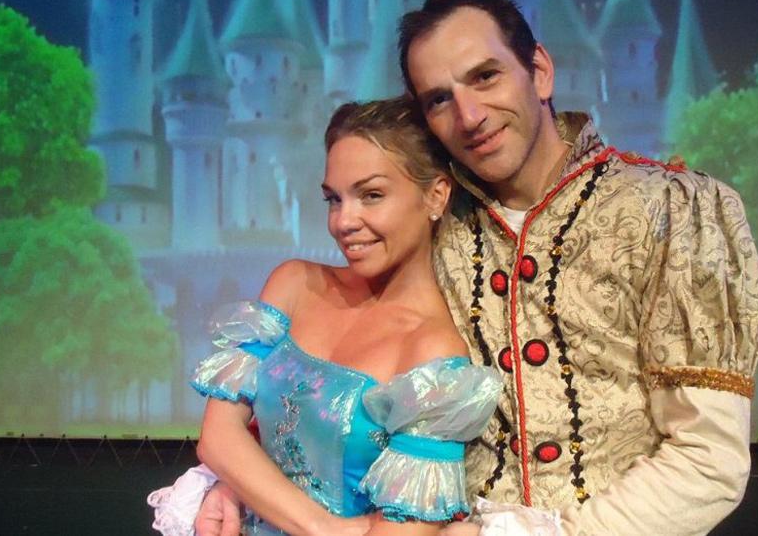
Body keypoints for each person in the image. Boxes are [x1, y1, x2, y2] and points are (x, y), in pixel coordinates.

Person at [176, 0, 758, 534]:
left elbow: (707, 460)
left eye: (485, 77)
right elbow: (326, 376)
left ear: (539, 71)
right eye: (439, 99)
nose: (469, 115)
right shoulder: (428, 214)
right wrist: (243, 482)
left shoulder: (673, 209)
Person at [148, 97, 502, 536]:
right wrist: (325, 526)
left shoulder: (434, 359)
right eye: (334, 199)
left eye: (371, 195)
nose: (343, 221)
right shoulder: (295, 284)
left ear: (436, 195)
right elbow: (218, 439)